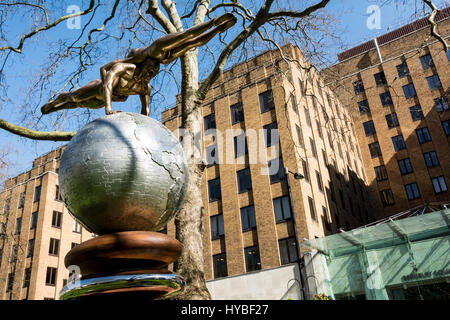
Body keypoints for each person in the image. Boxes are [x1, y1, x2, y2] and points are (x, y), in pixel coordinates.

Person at [41, 13, 237, 116]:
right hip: (101, 88)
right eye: (150, 70)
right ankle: (54, 103)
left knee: (80, 105)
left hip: (109, 97)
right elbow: (106, 77)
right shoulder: (129, 65)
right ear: (142, 65)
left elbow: (146, 110)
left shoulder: (147, 81)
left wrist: (146, 126)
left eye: (153, 73)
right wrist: (108, 107)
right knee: (73, 97)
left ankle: (218, 26)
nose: (151, 74)